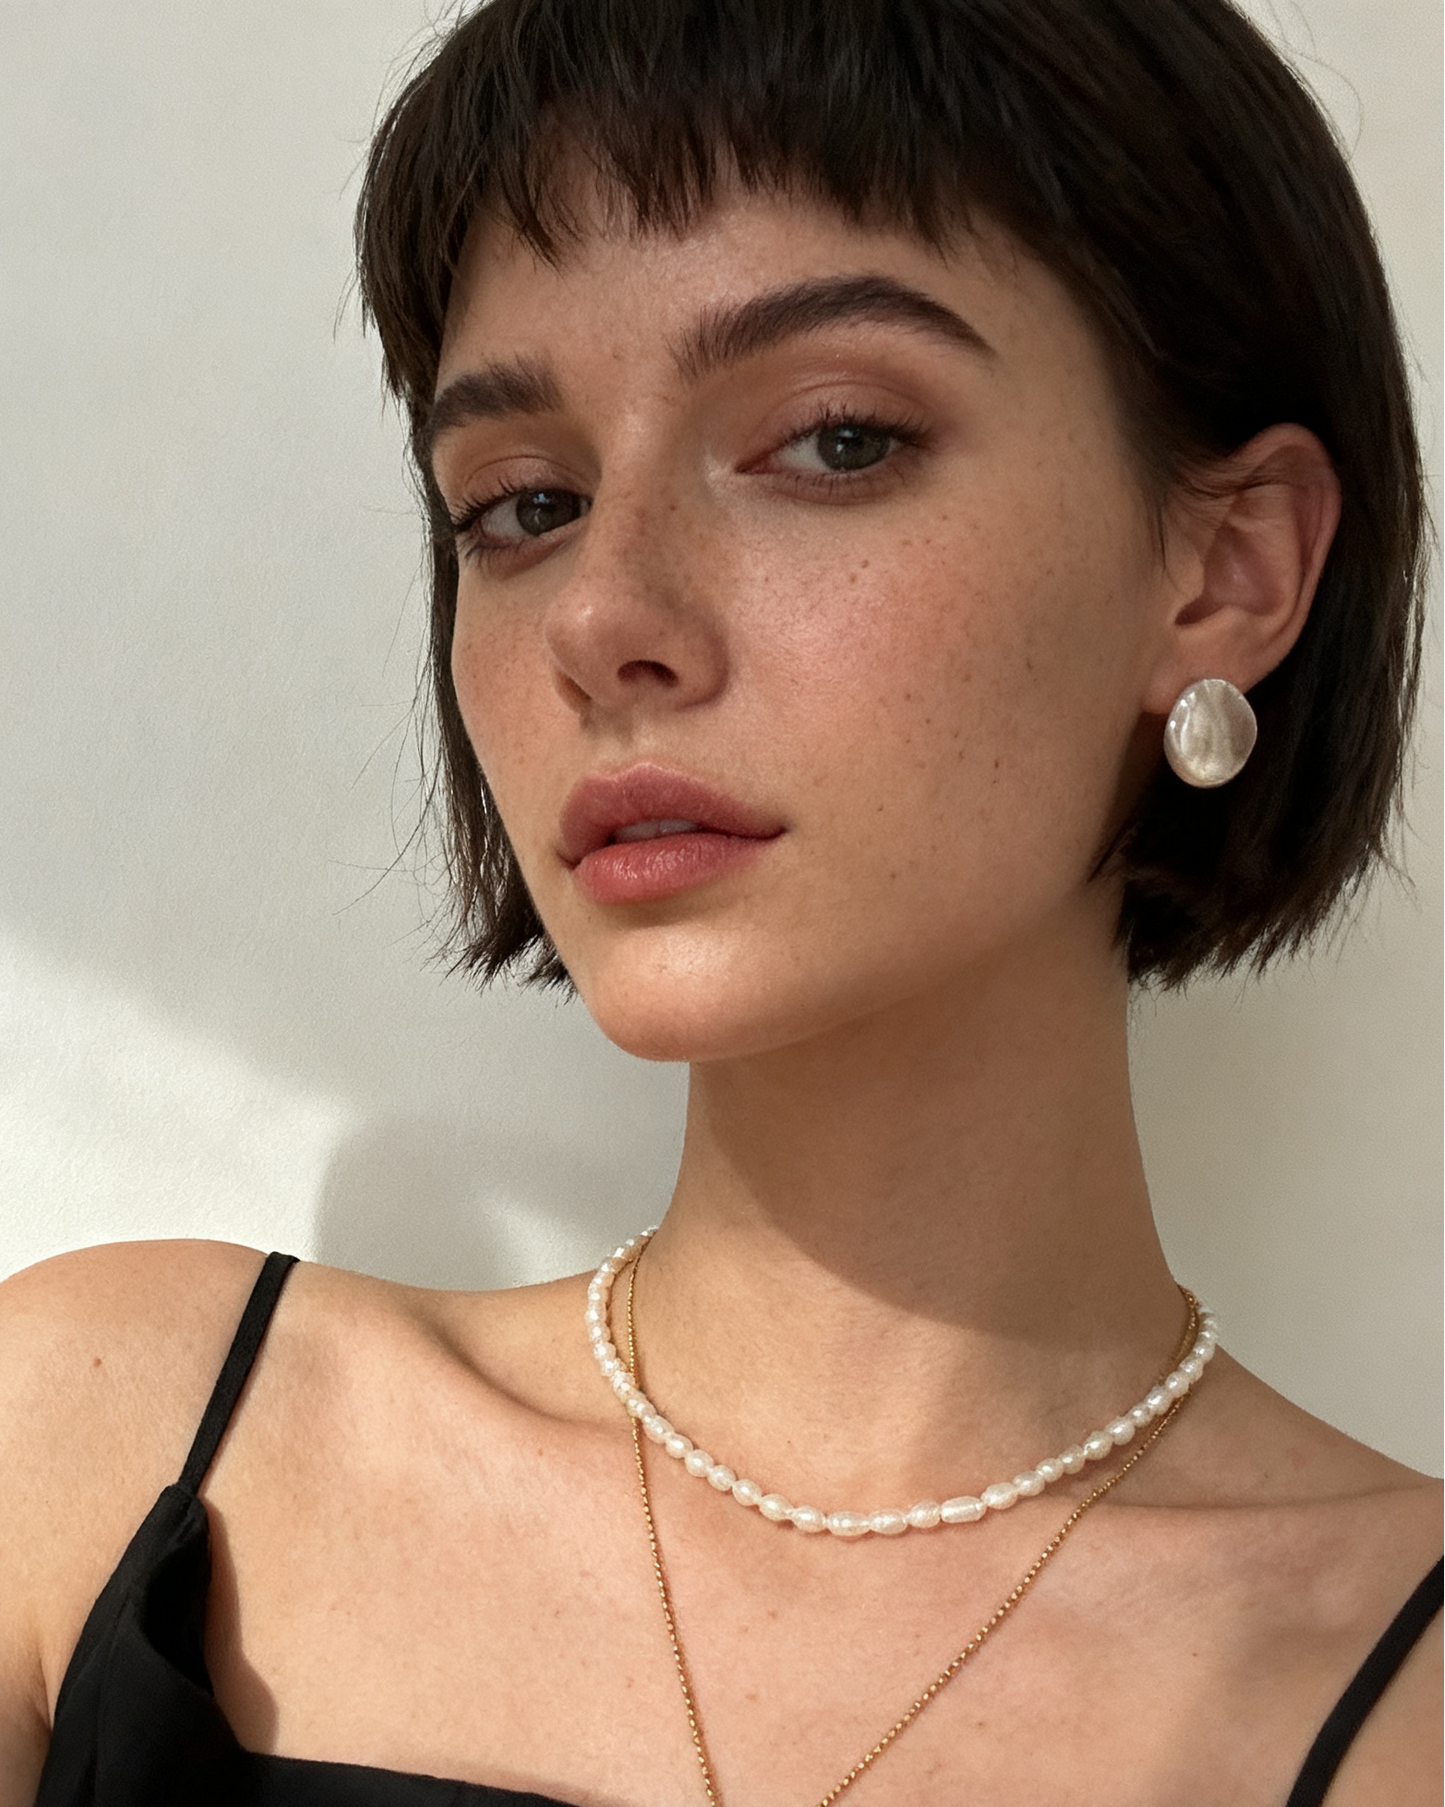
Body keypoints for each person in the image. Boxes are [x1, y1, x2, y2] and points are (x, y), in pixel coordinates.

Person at [0, 0, 1440, 1801]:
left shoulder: (1406, 1692)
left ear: (1226, 569)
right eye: (522, 503)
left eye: (834, 442)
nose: (604, 615)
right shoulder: (104, 1447)